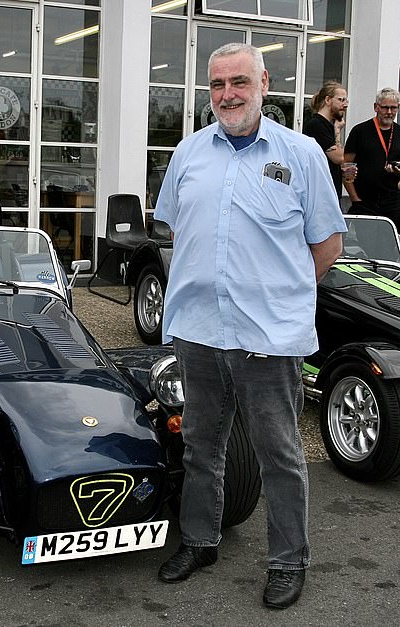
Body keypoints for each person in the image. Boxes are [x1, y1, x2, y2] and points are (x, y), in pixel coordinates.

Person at [153, 43, 346, 610]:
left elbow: (328, 243)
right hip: (200, 330)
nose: (228, 94)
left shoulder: (302, 154)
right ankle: (200, 541)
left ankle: (289, 562)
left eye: (239, 81)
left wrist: (281, 297)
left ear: (264, 81)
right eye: (217, 85)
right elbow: (173, 229)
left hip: (269, 338)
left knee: (280, 456)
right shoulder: (188, 153)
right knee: (200, 446)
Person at [343, 88, 400, 227]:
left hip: (394, 203)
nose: (389, 112)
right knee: (367, 245)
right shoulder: (360, 131)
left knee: (391, 246)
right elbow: (346, 167)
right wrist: (355, 199)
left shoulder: (399, 132)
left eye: (393, 108)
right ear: (376, 107)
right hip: (365, 202)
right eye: (385, 107)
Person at [303, 81, 349, 199]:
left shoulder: (327, 125)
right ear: (328, 100)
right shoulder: (317, 125)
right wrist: (338, 131)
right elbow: (338, 157)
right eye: (341, 100)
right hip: (320, 195)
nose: (345, 104)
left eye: (346, 100)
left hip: (330, 193)